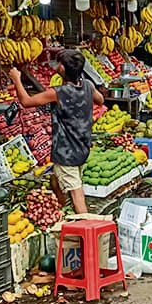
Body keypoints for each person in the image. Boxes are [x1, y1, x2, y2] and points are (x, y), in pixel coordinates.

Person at [8, 50, 104, 214]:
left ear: (62, 69)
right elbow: (100, 100)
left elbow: (26, 101)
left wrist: (17, 79)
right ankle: (60, 211)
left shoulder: (59, 93)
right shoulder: (87, 85)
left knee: (76, 193)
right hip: (82, 146)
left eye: (59, 64)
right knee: (56, 180)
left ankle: (88, 227)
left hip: (67, 151)